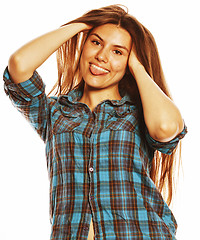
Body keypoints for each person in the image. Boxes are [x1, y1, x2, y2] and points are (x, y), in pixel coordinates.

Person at [3, 4, 187, 240]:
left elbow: (166, 128)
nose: (102, 56)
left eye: (118, 52)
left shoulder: (138, 114)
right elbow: (18, 64)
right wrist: (82, 24)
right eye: (96, 42)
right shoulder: (55, 113)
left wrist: (138, 66)